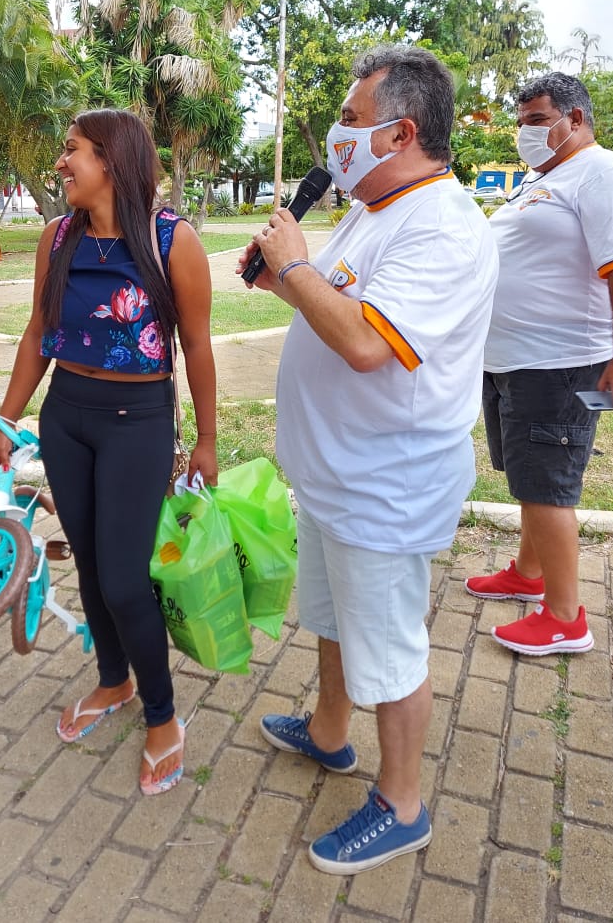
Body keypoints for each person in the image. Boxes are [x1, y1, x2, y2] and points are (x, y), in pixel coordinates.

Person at [238, 45, 498, 874]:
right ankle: (327, 732)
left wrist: (296, 265)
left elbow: (361, 344)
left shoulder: (442, 226)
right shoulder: (376, 207)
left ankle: (401, 804)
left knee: (385, 648)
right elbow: (338, 304)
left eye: (351, 120)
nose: (337, 134)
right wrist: (283, 280)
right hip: (333, 476)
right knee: (331, 616)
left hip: (385, 485)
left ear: (401, 133)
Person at [0, 108, 218, 795]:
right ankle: (113, 681)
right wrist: (7, 418)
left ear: (112, 162)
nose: (62, 163)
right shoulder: (58, 236)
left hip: (136, 422)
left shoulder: (172, 240)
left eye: (73, 151)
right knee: (89, 565)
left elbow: (197, 345)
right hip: (67, 417)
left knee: (123, 580)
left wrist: (207, 439)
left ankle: (163, 715)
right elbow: (39, 331)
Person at [465, 73, 613, 655]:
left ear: (575, 118)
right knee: (530, 478)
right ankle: (528, 574)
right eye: (522, 121)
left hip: (560, 363)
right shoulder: (542, 179)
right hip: (514, 360)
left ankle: (565, 619)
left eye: (538, 120)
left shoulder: (606, 174)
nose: (526, 132)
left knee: (549, 487)